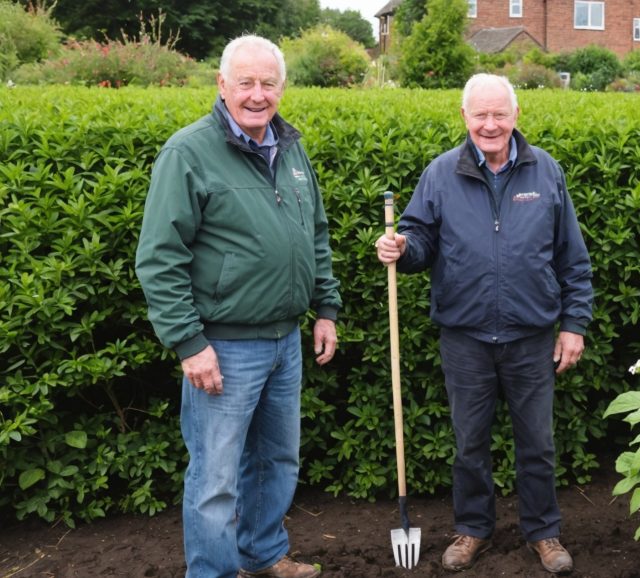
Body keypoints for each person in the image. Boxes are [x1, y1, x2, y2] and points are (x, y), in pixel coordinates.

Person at [135, 35, 339, 578]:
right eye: (244, 82)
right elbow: (159, 258)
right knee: (216, 478)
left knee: (276, 462)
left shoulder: (291, 149)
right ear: (222, 85)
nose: (257, 94)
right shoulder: (188, 152)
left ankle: (263, 555)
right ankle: (213, 573)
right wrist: (189, 343)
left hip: (284, 341)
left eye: (267, 83)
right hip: (221, 346)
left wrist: (326, 307)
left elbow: (313, 234)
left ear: (282, 87)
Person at [375, 73, 593, 575]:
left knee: (536, 444)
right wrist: (403, 249)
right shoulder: (440, 174)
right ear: (465, 118)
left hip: (531, 336)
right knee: (469, 443)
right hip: (466, 336)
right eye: (480, 115)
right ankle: (472, 528)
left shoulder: (546, 173)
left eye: (499, 114)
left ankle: (544, 532)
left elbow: (572, 259)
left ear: (516, 117)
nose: (490, 125)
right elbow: (419, 238)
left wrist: (573, 324)